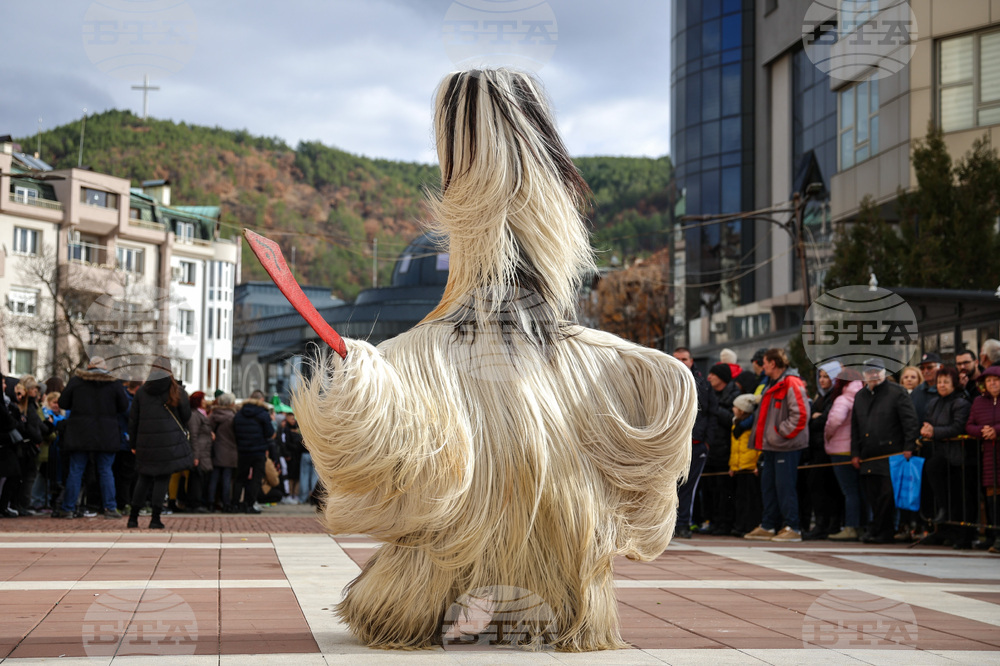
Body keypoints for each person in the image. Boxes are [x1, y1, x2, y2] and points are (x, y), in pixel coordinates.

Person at [851, 359, 920, 544]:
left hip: (892, 454)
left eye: (877, 371)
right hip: (868, 454)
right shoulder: (860, 396)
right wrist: (855, 453)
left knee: (886, 495)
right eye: (869, 371)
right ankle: (877, 529)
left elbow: (910, 422)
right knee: (873, 495)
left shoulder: (897, 392)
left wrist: (908, 446)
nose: (873, 375)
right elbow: (855, 427)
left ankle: (884, 530)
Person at [744, 348, 810, 542]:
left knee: (784, 487)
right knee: (769, 486)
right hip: (772, 445)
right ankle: (768, 525)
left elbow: (801, 415)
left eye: (764, 362)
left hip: (784, 446)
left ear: (773, 363)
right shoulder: (774, 383)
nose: (762, 366)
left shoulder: (791, 382)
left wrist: (781, 433)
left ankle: (793, 527)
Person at [54, 358, 129, 519]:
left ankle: (68, 508)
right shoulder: (114, 383)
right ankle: (110, 508)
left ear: (89, 367)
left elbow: (63, 402)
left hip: (80, 432)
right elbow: (123, 406)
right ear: (105, 367)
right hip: (106, 434)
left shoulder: (77, 381)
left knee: (76, 470)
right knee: (106, 471)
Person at [127, 358, 193, 529]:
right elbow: (186, 417)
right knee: (162, 478)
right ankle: (155, 518)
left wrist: (133, 443)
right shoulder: (176, 391)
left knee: (144, 478)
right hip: (168, 443)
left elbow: (133, 419)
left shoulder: (142, 391)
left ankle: (133, 518)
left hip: (145, 442)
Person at [921, 365, 974, 548]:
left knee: (960, 498)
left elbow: (958, 427)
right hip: (939, 454)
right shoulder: (934, 403)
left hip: (958, 458)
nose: (942, 385)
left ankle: (962, 535)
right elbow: (928, 422)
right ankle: (942, 530)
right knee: (937, 485)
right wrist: (926, 430)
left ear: (954, 383)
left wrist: (934, 431)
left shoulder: (961, 403)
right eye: (940, 381)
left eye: (946, 382)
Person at [672, 347, 717, 538]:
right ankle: (669, 525)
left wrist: (706, 442)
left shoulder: (703, 384)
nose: (682, 363)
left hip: (696, 443)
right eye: (678, 359)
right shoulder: (665, 381)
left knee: (688, 486)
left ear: (691, 361)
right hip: (672, 444)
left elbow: (711, 413)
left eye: (685, 359)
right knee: (669, 485)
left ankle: (682, 524)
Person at [824, 369, 865, 541]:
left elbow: (835, 420)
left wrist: (827, 435)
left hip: (841, 449)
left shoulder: (843, 398)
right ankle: (861, 525)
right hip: (857, 450)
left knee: (849, 491)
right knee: (859, 491)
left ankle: (851, 526)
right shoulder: (862, 396)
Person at [802, 362, 842, 540]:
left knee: (825, 487)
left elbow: (825, 419)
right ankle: (823, 524)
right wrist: (814, 418)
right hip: (817, 448)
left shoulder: (835, 397)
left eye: (827, 377)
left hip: (827, 448)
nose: (823, 380)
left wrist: (815, 419)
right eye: (821, 376)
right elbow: (811, 418)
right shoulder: (821, 396)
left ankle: (826, 525)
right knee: (818, 486)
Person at [966, 365, 1000, 554]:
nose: (993, 383)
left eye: (996, 380)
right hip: (988, 456)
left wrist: (997, 430)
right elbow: (969, 425)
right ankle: (993, 535)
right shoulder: (979, 402)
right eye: (989, 380)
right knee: (991, 497)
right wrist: (984, 432)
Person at [704, 363, 739, 535]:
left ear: (722, 378)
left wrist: (716, 408)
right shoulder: (710, 393)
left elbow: (734, 420)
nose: (709, 377)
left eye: (713, 375)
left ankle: (724, 523)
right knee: (711, 490)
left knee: (724, 490)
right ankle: (714, 521)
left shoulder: (734, 395)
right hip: (711, 449)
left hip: (726, 450)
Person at [233, 390, 274, 513]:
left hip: (243, 450)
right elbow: (270, 433)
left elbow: (235, 430)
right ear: (261, 400)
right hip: (258, 451)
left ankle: (235, 504)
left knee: (240, 478)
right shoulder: (263, 414)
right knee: (256, 479)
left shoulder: (239, 413)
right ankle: (249, 504)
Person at [729, 394, 761, 537]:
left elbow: (757, 446)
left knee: (750, 500)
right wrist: (732, 465)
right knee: (740, 499)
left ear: (742, 410)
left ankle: (749, 525)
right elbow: (734, 447)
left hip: (749, 467)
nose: (733, 409)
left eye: (735, 407)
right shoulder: (735, 423)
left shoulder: (752, 426)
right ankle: (740, 525)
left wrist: (757, 464)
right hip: (738, 467)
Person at [208, 392, 238, 512]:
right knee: (226, 479)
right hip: (230, 451)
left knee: (214, 478)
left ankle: (210, 503)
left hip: (216, 450)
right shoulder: (233, 417)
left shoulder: (213, 415)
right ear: (231, 403)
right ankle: (226, 503)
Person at [186, 391, 214, 513]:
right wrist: (196, 456)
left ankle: (196, 502)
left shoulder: (200, 414)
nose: (205, 401)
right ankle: (195, 503)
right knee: (196, 478)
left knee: (200, 478)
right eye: (203, 399)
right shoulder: (195, 416)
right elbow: (194, 435)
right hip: (200, 451)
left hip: (204, 450)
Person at [280, 411, 305, 504]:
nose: (293, 420)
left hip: (297, 456)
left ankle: (295, 494)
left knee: (297, 476)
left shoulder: (297, 428)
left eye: (294, 418)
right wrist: (288, 453)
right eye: (291, 418)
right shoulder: (286, 429)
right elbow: (285, 443)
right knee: (290, 476)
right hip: (291, 456)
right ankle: (289, 494)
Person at [911, 352, 941, 422]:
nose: (925, 371)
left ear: (940, 367)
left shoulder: (946, 390)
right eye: (922, 368)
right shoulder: (916, 391)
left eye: (929, 367)